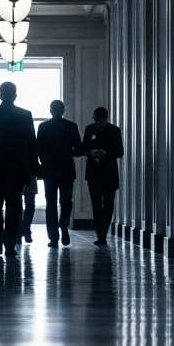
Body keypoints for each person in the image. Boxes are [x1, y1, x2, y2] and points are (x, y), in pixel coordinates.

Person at [0, 82, 38, 257]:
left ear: (0, 95)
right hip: (17, 169)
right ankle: (10, 245)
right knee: (15, 206)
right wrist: (33, 169)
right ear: (15, 95)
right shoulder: (25, 115)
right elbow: (31, 144)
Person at [36, 99, 84, 247]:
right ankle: (64, 225)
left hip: (49, 170)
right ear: (63, 110)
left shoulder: (43, 126)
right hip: (67, 169)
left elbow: (38, 150)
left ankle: (53, 238)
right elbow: (79, 151)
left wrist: (44, 160)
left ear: (50, 110)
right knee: (66, 201)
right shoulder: (71, 126)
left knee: (51, 203)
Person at [82, 106, 123, 246]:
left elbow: (120, 151)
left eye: (101, 120)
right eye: (96, 120)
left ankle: (103, 233)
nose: (99, 123)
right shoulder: (89, 129)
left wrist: (106, 153)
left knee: (108, 203)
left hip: (109, 172)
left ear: (106, 118)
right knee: (96, 204)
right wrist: (91, 152)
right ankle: (101, 235)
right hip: (94, 172)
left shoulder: (114, 130)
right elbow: (83, 147)